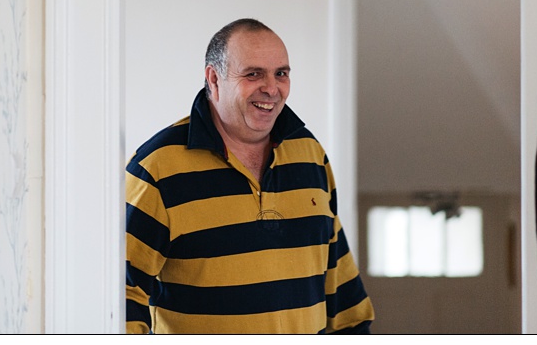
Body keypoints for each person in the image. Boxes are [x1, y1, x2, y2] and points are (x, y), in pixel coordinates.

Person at [125, 19, 373, 334]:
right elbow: (123, 292)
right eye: (253, 74)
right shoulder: (157, 167)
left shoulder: (309, 154)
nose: (272, 88)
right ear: (214, 79)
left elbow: (340, 285)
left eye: (281, 73)